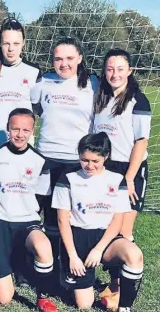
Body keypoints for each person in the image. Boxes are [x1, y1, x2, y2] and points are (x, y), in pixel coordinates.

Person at [52, 132, 144, 312]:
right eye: (85, 160)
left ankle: (124, 307)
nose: (89, 165)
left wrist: (99, 249)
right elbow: (63, 221)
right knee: (84, 304)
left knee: (134, 255)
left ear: (106, 157)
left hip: (106, 238)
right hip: (78, 238)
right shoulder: (68, 178)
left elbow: (117, 221)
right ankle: (72, 278)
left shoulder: (117, 180)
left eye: (95, 161)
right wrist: (72, 256)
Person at [0, 108, 57, 312]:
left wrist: (24, 210)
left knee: (43, 246)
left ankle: (43, 297)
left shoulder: (41, 162)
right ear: (7, 129)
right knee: (5, 299)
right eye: (15, 129)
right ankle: (2, 265)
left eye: (25, 130)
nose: (20, 134)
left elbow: (41, 197)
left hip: (27, 221)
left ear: (32, 131)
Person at [91, 49, 151, 309]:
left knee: (124, 231)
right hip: (104, 167)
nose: (114, 73)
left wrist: (129, 178)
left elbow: (141, 143)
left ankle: (121, 288)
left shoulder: (138, 101)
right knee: (106, 224)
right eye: (109, 68)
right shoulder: (99, 95)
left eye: (120, 68)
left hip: (130, 169)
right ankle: (113, 281)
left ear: (130, 71)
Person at [31, 37, 99, 257]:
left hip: (75, 161)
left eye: (70, 58)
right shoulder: (44, 82)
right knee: (38, 213)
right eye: (58, 59)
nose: (64, 64)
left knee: (70, 217)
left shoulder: (94, 84)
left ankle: (69, 261)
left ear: (80, 58)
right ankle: (37, 261)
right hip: (45, 159)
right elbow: (32, 109)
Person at [0, 17, 42, 208]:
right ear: (0, 44)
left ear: (23, 44)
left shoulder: (34, 72)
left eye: (16, 43)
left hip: (20, 145)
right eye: (6, 43)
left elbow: (36, 107)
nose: (11, 48)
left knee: (18, 193)